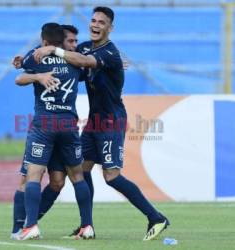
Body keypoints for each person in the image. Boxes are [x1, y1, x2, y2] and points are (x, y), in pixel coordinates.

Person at [33, 6, 169, 241]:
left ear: (110, 28)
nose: (95, 25)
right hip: (93, 121)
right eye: (93, 20)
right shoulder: (85, 46)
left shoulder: (109, 53)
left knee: (112, 176)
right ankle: (86, 227)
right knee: (80, 170)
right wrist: (29, 60)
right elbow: (71, 58)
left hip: (111, 121)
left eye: (101, 22)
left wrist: (53, 49)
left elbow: (81, 59)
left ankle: (156, 217)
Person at [14, 23, 94, 240]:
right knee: (77, 176)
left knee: (34, 174)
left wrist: (30, 70)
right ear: (63, 41)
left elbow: (19, 77)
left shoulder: (37, 57)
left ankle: (30, 226)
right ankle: (87, 226)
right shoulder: (75, 61)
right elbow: (88, 62)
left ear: (45, 42)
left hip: (45, 124)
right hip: (68, 125)